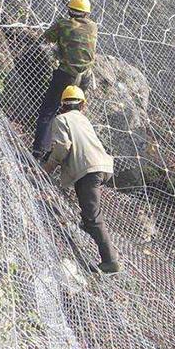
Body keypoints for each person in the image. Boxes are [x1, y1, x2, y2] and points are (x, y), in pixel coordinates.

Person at [43, 85, 120, 274]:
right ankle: (86, 225)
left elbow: (63, 146)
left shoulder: (61, 119)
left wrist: (47, 168)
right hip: (99, 166)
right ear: (82, 105)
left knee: (93, 217)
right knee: (88, 215)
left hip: (88, 171)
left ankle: (110, 262)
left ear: (63, 106)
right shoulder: (84, 120)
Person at [32, 0, 97, 159]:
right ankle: (67, 156)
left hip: (66, 75)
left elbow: (46, 38)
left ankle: (40, 152)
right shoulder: (93, 27)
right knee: (72, 115)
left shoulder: (63, 24)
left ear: (70, 10)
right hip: (85, 77)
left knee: (49, 111)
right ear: (87, 13)